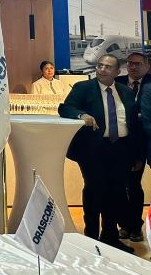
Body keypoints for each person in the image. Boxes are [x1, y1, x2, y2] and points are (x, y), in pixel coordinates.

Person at [58, 54, 142, 253]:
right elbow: (65, 108)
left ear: (117, 72)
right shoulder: (83, 88)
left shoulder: (125, 92)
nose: (102, 69)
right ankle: (91, 238)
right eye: (100, 65)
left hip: (120, 149)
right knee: (95, 192)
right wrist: (81, 114)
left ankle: (110, 238)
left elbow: (134, 124)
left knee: (116, 193)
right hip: (94, 150)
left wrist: (137, 155)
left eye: (108, 67)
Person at [116, 52, 150, 242]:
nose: (133, 67)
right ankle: (124, 225)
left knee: (134, 186)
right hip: (119, 142)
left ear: (147, 65)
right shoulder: (117, 82)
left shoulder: (150, 83)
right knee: (120, 186)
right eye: (130, 63)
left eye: (137, 64)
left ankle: (136, 227)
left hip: (143, 142)